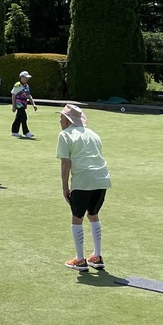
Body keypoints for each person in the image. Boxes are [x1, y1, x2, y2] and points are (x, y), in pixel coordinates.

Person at [57, 104, 111, 271]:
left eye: (61, 118)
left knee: (77, 218)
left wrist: (65, 187)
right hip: (102, 178)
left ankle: (80, 260)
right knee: (93, 214)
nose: (60, 120)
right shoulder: (94, 134)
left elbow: (66, 163)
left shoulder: (64, 135)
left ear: (67, 120)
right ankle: (97, 255)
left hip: (83, 180)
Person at [10, 70, 37, 139]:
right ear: (21, 77)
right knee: (24, 117)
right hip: (19, 104)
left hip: (24, 104)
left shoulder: (26, 86)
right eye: (25, 78)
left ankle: (14, 131)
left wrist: (33, 104)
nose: (27, 79)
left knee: (19, 117)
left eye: (27, 78)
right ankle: (26, 132)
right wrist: (14, 106)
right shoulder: (17, 85)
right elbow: (13, 95)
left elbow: (29, 95)